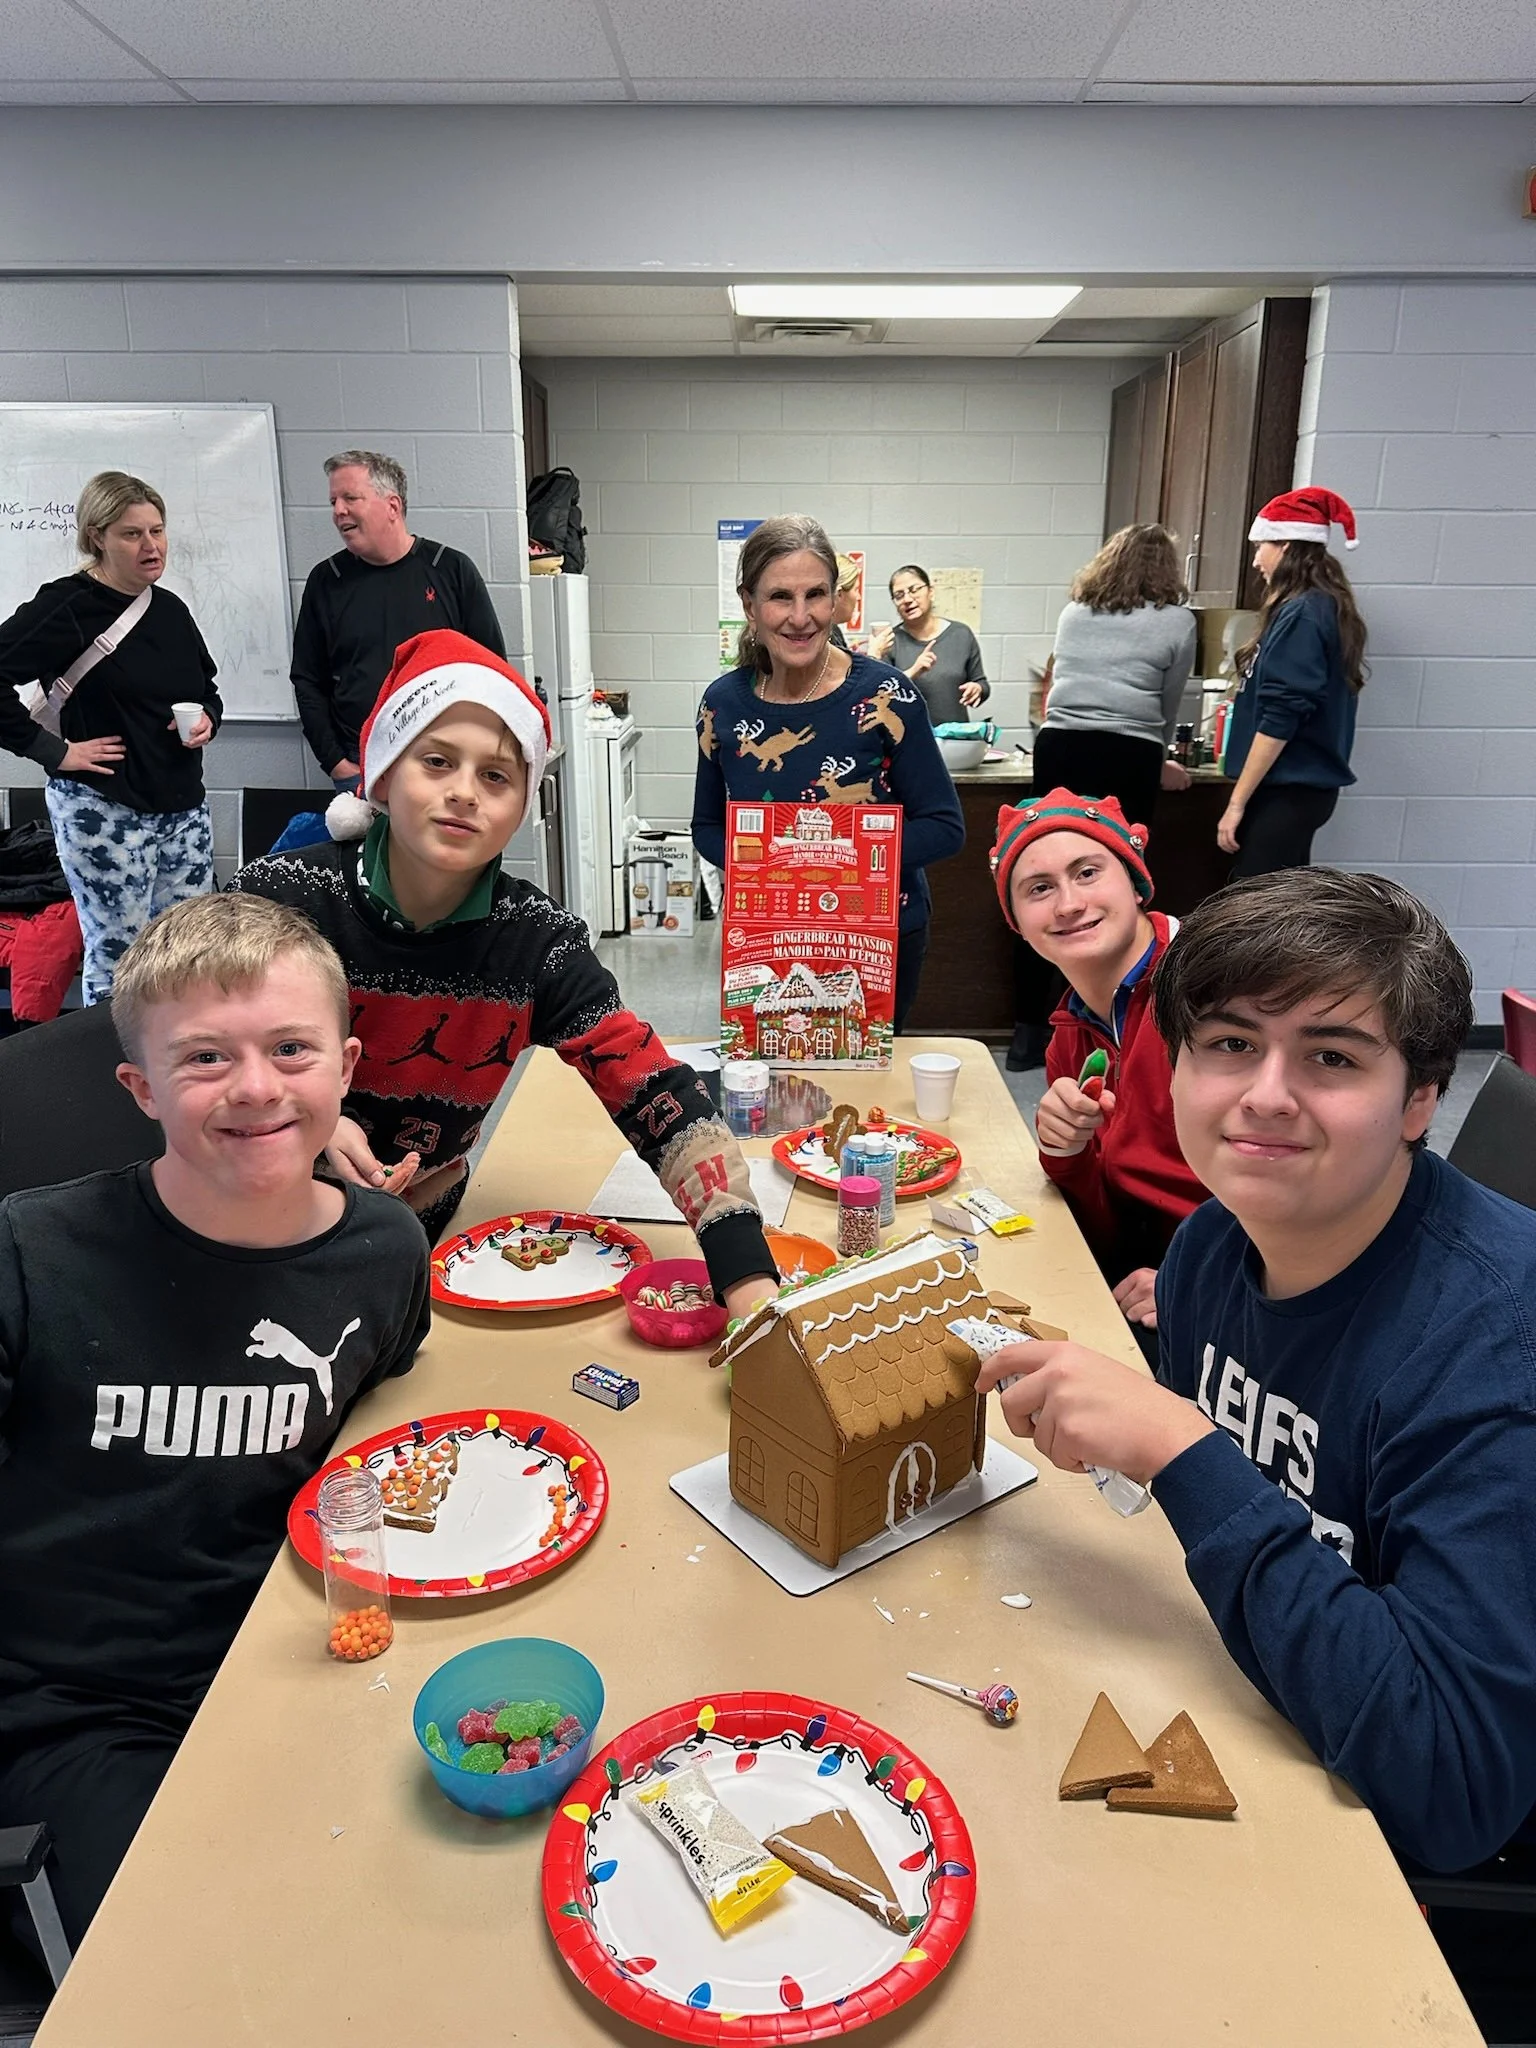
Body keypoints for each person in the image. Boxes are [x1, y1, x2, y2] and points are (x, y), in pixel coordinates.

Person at [975, 870, 1536, 1996]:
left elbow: (1454, 1789)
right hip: (1263, 1706)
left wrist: (1184, 1450)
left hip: (1401, 1877)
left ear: (1421, 1096)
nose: (1264, 1094)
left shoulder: (1495, 1351)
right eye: (1229, 1042)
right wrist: (1155, 1459)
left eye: (1332, 1056)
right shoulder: (1209, 1252)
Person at [0, 892, 431, 1950]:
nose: (255, 1088)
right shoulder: (31, 1255)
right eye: (203, 1059)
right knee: (212, 1960)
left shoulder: (386, 1252)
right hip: (89, 1710)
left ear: (347, 1063)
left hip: (296, 1659)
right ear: (139, 1088)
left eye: (292, 1047)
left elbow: (385, 1417)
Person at [235, 630, 778, 1318]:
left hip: (422, 1238)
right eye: (436, 761)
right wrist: (308, 1119)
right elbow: (178, 1056)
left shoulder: (535, 944)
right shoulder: (279, 901)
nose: (464, 793)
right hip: (256, 1233)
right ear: (381, 774)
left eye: (496, 775)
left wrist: (743, 1270)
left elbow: (651, 1092)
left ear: (523, 804)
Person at [692, 516, 964, 1035]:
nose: (800, 616)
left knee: (862, 1098)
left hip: (878, 935)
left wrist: (825, 855)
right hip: (765, 937)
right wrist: (772, 865)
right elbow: (706, 827)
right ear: (749, 606)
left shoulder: (887, 696)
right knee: (773, 1082)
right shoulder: (721, 705)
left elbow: (945, 826)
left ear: (836, 601)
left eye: (815, 594)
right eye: (779, 597)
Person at [992, 790, 1207, 1360]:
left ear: (1136, 883)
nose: (1067, 904)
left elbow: (1305, 1174)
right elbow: (1110, 1216)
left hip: (1234, 1285)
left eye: (1087, 872)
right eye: (1039, 888)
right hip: (1141, 1268)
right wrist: (1067, 1152)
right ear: (1017, 922)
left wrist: (1200, 1279)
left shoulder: (1211, 993)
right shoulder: (1072, 1029)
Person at [0, 471, 221, 1004]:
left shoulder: (169, 609)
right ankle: (117, 1074)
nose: (152, 546)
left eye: (158, 530)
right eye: (132, 534)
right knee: (121, 956)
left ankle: (184, 1065)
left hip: (182, 811)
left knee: (190, 950)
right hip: (103, 811)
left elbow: (206, 687)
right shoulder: (67, 606)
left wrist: (208, 718)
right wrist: (54, 751)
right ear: (97, 536)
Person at [290, 450, 506, 787]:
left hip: (446, 765)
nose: (338, 511)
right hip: (362, 767)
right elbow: (307, 678)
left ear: (392, 506)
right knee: (370, 844)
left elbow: (492, 669)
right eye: (333, 501)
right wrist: (334, 760)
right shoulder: (326, 580)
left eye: (350, 498)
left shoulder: (450, 569)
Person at [1217, 487, 1367, 876]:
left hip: (1286, 790)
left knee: (1253, 906)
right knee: (1279, 906)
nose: (1255, 562)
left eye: (1260, 547)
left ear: (1285, 546)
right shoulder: (1316, 608)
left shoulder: (1302, 615)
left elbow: (1280, 718)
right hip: (1295, 791)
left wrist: (1237, 802)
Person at [1034, 523, 1197, 829]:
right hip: (1131, 751)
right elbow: (1169, 702)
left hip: (1059, 744)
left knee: (1054, 843)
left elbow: (1062, 677)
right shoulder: (1179, 621)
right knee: (1121, 853)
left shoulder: (1073, 612)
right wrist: (1161, 761)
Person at [869, 564, 988, 726]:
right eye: (899, 595)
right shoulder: (889, 642)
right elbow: (879, 696)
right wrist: (913, 672)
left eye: (914, 590)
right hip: (907, 741)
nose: (908, 599)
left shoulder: (961, 634)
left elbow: (981, 682)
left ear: (930, 591)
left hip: (954, 739)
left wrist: (978, 689)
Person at [829, 552, 861, 653]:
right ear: (839, 594)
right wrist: (874, 653)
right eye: (856, 590)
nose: (858, 597)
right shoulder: (821, 638)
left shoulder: (835, 632)